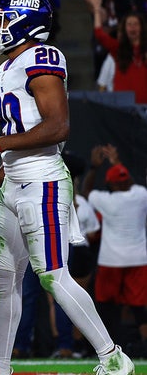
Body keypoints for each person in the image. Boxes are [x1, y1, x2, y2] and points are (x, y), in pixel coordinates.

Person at [0, 0, 135, 375]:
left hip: (43, 179)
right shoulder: (5, 67)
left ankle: (113, 358)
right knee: (3, 279)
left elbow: (57, 127)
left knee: (52, 275)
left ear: (25, 23)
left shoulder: (41, 57)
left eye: (1, 19)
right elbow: (22, 126)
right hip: (14, 180)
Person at [82, 145, 147, 359]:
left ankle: (110, 349)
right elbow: (124, 178)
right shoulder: (141, 195)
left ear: (109, 184)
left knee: (107, 307)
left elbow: (86, 192)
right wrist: (116, 161)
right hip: (138, 259)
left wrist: (94, 167)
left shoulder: (106, 200)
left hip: (111, 261)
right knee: (139, 308)